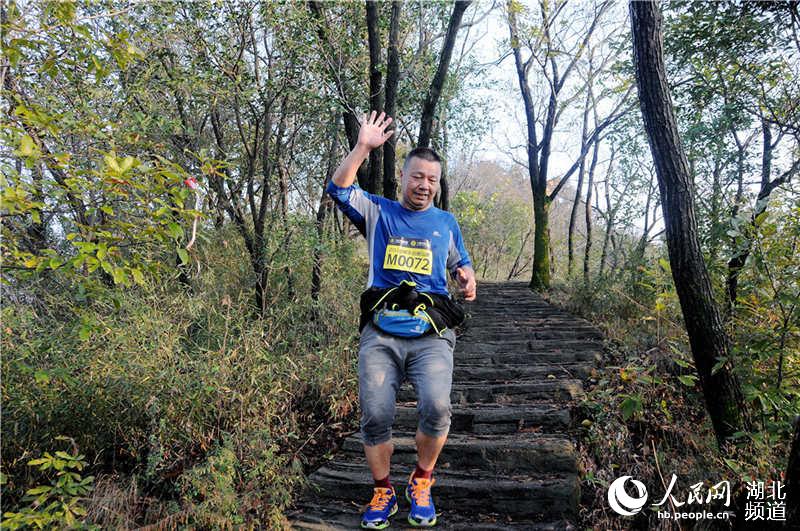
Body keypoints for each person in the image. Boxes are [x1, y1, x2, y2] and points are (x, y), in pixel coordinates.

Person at [326, 111, 476, 529]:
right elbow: (339, 190)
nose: (424, 185)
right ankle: (382, 490)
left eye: (432, 179)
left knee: (437, 407)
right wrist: (363, 147)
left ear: (438, 183)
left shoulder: (446, 223)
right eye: (417, 176)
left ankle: (421, 480)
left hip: (432, 333)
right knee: (375, 415)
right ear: (402, 176)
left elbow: (461, 263)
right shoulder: (378, 212)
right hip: (381, 332)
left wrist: (467, 278)